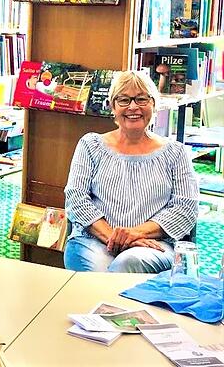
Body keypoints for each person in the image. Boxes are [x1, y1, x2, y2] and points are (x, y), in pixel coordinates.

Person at [64, 70, 198, 273]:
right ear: (112, 106)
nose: (133, 107)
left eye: (142, 99)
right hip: (93, 240)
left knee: (127, 263)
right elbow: (76, 199)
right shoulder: (90, 145)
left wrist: (133, 235)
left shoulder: (176, 153)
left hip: (154, 244)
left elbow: (185, 209)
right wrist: (113, 237)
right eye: (124, 100)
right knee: (100, 272)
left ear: (154, 104)